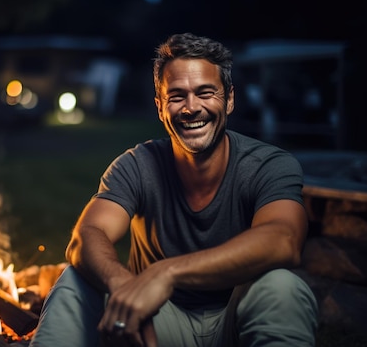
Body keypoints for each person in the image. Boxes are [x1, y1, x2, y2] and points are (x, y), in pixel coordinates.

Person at [28, 32, 319, 347]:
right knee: (76, 280)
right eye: (177, 96)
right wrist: (122, 283)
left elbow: (283, 239)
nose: (191, 108)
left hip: (235, 323)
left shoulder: (268, 164)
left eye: (205, 92)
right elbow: (87, 235)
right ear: (159, 106)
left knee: (282, 286)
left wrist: (166, 273)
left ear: (229, 99)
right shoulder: (137, 165)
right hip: (157, 325)